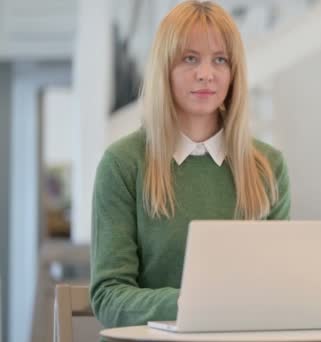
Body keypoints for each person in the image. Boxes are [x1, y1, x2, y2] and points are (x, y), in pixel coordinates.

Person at [90, 0, 291, 328]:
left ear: (233, 72)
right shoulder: (123, 164)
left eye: (220, 60)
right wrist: (198, 304)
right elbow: (110, 297)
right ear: (164, 69)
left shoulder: (268, 167)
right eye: (190, 59)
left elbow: (276, 290)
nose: (206, 74)